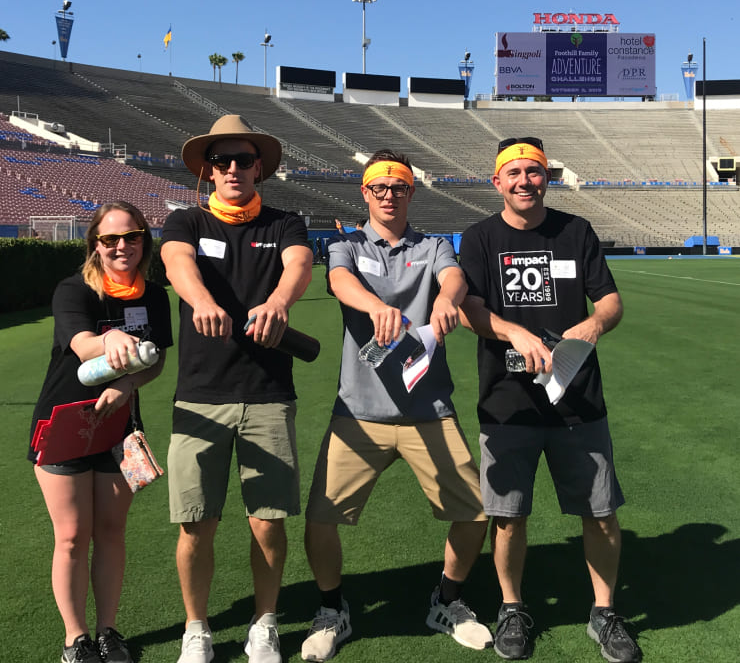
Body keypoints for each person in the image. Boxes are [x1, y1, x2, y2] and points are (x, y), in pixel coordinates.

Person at [301, 150, 492, 662]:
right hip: (358, 410)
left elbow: (453, 277)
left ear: (412, 193)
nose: (389, 195)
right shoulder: (345, 244)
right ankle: (331, 609)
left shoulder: (431, 246)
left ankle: (447, 602)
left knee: (475, 511)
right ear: (364, 193)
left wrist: (447, 300)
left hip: (428, 407)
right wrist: (377, 306)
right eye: (379, 187)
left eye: (399, 187)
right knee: (321, 516)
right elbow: (339, 283)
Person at [458, 138, 642, 662]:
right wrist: (514, 333)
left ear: (547, 178)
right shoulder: (479, 238)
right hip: (507, 403)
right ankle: (512, 607)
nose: (524, 181)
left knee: (600, 512)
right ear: (497, 181)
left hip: (578, 401)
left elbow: (609, 298)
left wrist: (594, 322)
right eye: (513, 173)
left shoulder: (575, 231)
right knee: (509, 517)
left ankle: (604, 612)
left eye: (533, 172)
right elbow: (470, 307)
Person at [160, 115, 313, 663]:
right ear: (207, 169)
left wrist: (278, 303)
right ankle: (196, 629)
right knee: (195, 523)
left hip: (267, 394)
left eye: (242, 159)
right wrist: (201, 301)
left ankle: (264, 622)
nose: (231, 168)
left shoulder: (284, 222)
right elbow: (177, 263)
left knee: (267, 522)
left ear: (259, 168)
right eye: (220, 160)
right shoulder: (186, 222)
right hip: (200, 395)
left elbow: (299, 264)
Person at [29, 201, 172, 663]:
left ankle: (109, 632)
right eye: (110, 239)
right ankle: (76, 639)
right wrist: (109, 340)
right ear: (95, 245)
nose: (121, 246)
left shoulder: (153, 295)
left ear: (144, 240)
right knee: (72, 535)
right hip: (64, 423)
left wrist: (130, 382)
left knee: (111, 531)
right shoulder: (74, 290)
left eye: (131, 236)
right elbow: (82, 342)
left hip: (119, 427)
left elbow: (156, 360)